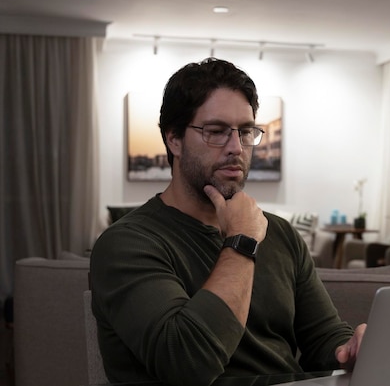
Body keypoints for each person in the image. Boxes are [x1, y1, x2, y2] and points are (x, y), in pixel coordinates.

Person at [90, 58, 367, 386]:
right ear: (174, 139)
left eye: (246, 131)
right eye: (216, 132)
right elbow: (186, 363)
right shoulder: (128, 243)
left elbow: (322, 334)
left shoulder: (279, 233)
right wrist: (242, 240)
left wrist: (350, 348)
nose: (236, 148)